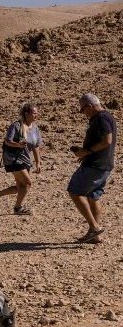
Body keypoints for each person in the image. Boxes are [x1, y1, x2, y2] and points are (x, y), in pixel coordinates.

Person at [68, 93, 116, 244]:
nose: (83, 113)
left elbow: (107, 141)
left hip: (95, 164)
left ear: (89, 106)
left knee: (75, 191)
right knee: (93, 196)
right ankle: (95, 235)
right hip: (102, 164)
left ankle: (94, 227)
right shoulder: (105, 117)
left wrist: (87, 151)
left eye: (83, 109)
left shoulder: (101, 118)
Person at [0, 104, 43, 215]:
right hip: (14, 159)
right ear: (26, 114)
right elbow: (7, 141)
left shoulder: (35, 128)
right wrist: (18, 145)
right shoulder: (16, 126)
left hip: (25, 159)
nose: (36, 115)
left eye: (37, 113)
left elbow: (36, 146)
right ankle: (18, 208)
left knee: (20, 187)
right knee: (27, 183)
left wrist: (38, 162)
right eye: (34, 113)